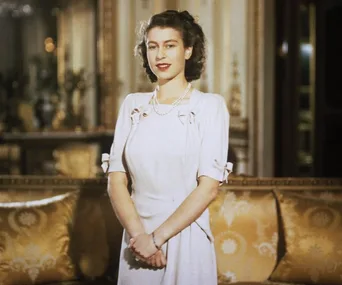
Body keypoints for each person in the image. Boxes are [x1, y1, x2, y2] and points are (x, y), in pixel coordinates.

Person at [101, 9, 232, 285]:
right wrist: (140, 238)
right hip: (137, 239)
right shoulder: (132, 105)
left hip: (185, 236)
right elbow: (116, 180)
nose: (160, 55)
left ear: (187, 50)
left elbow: (208, 188)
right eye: (153, 46)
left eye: (170, 46)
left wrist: (157, 239)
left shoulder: (210, 107)